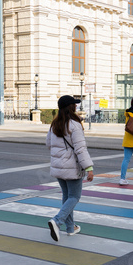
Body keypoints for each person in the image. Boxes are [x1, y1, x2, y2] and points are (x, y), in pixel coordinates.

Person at [46, 95, 94, 242]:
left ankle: (70, 227)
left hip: (58, 167)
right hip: (72, 167)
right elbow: (80, 149)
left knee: (67, 197)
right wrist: (89, 167)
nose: (76, 107)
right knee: (74, 197)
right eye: (75, 105)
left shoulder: (54, 124)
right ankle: (57, 221)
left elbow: (49, 144)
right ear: (71, 107)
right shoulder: (74, 124)